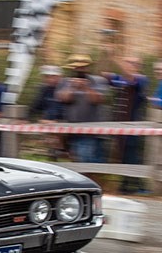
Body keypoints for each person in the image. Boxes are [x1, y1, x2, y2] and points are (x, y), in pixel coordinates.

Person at [102, 56, 149, 193]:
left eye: (132, 63)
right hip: (119, 125)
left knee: (133, 156)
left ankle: (140, 185)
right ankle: (125, 185)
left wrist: (115, 57)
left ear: (138, 66)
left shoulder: (142, 79)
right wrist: (107, 55)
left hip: (133, 126)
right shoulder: (120, 78)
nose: (129, 65)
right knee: (122, 155)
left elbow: (131, 78)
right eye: (127, 62)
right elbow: (105, 74)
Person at [56, 54, 108, 163]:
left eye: (83, 66)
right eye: (77, 67)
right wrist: (72, 86)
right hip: (71, 132)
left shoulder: (98, 81)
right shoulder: (65, 82)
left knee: (88, 165)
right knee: (78, 164)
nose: (80, 69)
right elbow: (63, 98)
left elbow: (97, 100)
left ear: (88, 67)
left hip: (90, 132)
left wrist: (86, 87)